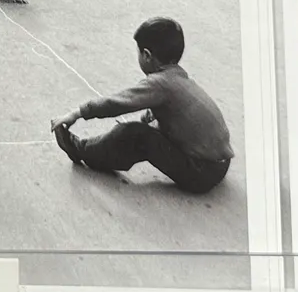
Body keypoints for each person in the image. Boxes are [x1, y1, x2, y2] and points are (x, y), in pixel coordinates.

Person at [51, 16, 234, 194]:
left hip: (202, 173)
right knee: (150, 121)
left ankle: (81, 150)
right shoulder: (179, 78)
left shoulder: (160, 83)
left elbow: (116, 103)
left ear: (146, 55)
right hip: (220, 164)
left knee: (136, 135)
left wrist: (77, 113)